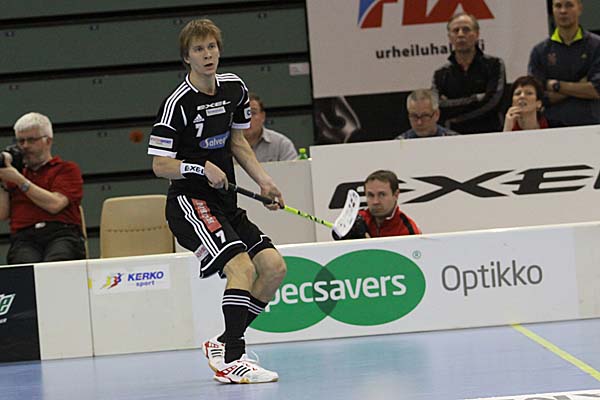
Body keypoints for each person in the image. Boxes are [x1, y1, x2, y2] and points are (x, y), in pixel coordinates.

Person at [147, 19, 286, 384]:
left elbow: (238, 142)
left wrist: (265, 181)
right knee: (241, 268)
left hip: (225, 201)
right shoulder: (176, 104)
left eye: (211, 47)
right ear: (186, 57)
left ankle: (224, 342)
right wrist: (198, 167)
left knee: (273, 268)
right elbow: (160, 165)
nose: (207, 54)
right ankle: (233, 359)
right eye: (198, 49)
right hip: (190, 203)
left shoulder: (235, 88)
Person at [0, 112, 86, 264]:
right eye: (21, 141)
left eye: (31, 140)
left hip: (61, 233)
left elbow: (55, 204)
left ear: (48, 141)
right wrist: (2, 182)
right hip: (24, 238)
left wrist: (20, 181)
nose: (25, 146)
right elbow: (2, 214)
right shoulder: (14, 174)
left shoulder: (66, 169)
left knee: (57, 262)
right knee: (24, 266)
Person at [528, 0, 600, 127]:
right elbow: (538, 97)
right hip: (552, 126)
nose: (563, 11)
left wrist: (555, 85)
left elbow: (596, 90)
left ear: (580, 8)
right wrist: (580, 86)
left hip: (592, 125)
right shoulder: (539, 51)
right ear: (552, 10)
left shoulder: (596, 46)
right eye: (558, 6)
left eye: (569, 5)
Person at [432, 13, 506, 134]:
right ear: (449, 37)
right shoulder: (440, 74)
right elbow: (436, 107)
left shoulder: (494, 65)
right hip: (455, 137)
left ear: (477, 34)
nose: (461, 34)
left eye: (466, 29)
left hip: (491, 134)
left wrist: (455, 113)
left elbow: (492, 103)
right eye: (456, 30)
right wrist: (476, 99)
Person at [333, 170, 421, 240]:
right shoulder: (357, 219)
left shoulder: (407, 230)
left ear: (396, 195)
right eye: (370, 195)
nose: (375, 201)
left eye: (382, 195)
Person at [244, 93, 298, 162]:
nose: (247, 119)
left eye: (253, 113)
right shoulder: (230, 145)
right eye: (242, 114)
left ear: (263, 116)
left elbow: (294, 168)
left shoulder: (281, 144)